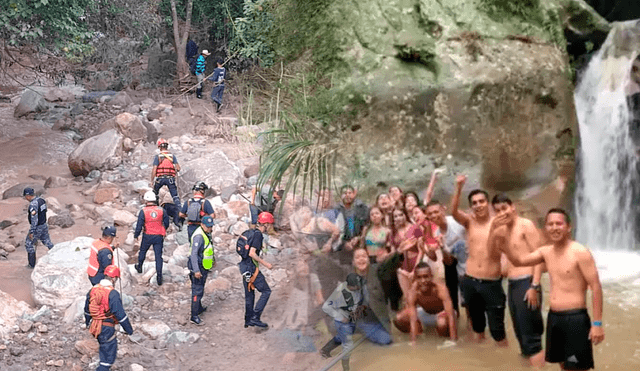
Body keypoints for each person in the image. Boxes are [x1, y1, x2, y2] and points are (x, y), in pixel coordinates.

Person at [495, 208, 604, 370]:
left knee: (576, 368)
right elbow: (519, 261)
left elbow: (595, 287)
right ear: (545, 228)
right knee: (563, 366)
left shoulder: (580, 252)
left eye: (558, 223)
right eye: (550, 224)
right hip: (554, 318)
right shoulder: (545, 252)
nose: (554, 228)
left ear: (568, 227)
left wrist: (597, 323)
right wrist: (503, 244)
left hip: (575, 318)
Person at [451, 174, 507, 345]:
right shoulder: (469, 222)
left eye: (481, 201)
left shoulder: (498, 223)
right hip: (470, 281)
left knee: (498, 332)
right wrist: (459, 187)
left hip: (492, 282)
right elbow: (453, 211)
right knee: (477, 328)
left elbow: (507, 249)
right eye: (474, 203)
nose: (478, 205)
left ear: (488, 204)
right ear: (470, 207)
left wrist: (505, 265)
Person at [490, 194, 545, 366]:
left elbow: (540, 256)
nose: (502, 213)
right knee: (520, 335)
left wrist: (534, 286)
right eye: (497, 211)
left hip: (527, 282)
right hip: (513, 285)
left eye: (504, 208)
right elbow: (491, 255)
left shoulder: (525, 225)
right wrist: (492, 230)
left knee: (532, 339)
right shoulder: (500, 231)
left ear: (512, 207)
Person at [319, 247, 392, 368]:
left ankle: (364, 332)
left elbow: (387, 266)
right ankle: (328, 350)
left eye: (364, 256)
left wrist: (393, 254)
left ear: (369, 259)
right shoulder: (347, 277)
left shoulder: (376, 272)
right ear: (353, 262)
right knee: (343, 329)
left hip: (370, 318)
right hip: (350, 317)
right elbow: (330, 267)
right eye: (357, 257)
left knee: (386, 341)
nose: (361, 259)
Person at [393, 262, 458, 344]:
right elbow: (413, 319)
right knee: (399, 318)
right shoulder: (413, 291)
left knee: (442, 323)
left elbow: (450, 315)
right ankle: (421, 333)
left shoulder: (440, 288)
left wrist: (453, 342)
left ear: (431, 276)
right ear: (415, 278)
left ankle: (441, 337)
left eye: (426, 276)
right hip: (425, 313)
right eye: (419, 277)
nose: (423, 281)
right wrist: (413, 343)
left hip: (442, 313)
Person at [84, 265, 133, 371]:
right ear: (114, 278)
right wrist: (129, 330)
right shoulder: (113, 294)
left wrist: (88, 323)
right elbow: (120, 315)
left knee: (103, 350)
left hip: (95, 326)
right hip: (106, 328)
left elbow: (87, 310)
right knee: (108, 358)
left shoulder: (93, 290)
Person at [425, 199, 468, 318]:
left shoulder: (456, 221)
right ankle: (455, 317)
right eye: (430, 214)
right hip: (454, 263)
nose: (433, 215)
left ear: (443, 210)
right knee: (451, 292)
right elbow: (448, 261)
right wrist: (442, 247)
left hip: (470, 262)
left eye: (436, 212)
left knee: (470, 303)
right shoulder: (437, 233)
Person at [321, 273, 366, 371]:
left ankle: (325, 350)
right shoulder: (339, 292)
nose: (359, 287)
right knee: (348, 345)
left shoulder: (358, 288)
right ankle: (346, 368)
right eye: (357, 286)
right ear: (350, 286)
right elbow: (325, 307)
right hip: (342, 320)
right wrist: (340, 317)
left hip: (352, 317)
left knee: (342, 336)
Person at [237, 212, 275, 328]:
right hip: (251, 268)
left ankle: (248, 319)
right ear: (267, 224)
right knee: (266, 291)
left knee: (249, 294)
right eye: (270, 225)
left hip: (244, 267)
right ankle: (255, 317)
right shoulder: (258, 235)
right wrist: (266, 264)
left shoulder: (250, 232)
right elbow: (252, 253)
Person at [133, 191, 170, 285]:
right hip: (158, 235)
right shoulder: (161, 210)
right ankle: (159, 276)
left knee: (143, 251)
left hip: (147, 235)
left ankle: (140, 267)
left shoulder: (144, 211)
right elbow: (166, 222)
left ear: (146, 200)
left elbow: (139, 225)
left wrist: (136, 235)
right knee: (158, 256)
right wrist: (163, 229)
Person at [188, 215, 216, 325]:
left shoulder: (205, 233)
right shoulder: (199, 236)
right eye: (208, 226)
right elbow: (193, 254)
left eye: (211, 226)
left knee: (200, 289)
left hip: (203, 265)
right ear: (202, 225)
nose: (210, 228)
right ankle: (194, 316)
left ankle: (198, 308)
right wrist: (196, 270)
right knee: (197, 291)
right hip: (198, 267)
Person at [22, 187, 54, 268]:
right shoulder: (41, 200)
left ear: (28, 196)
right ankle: (57, 256)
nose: (25, 198)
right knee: (47, 242)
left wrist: (32, 231)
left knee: (29, 244)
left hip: (37, 227)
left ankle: (31, 264)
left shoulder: (33, 204)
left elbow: (34, 219)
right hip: (44, 225)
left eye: (25, 196)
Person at [151, 138, 181, 207]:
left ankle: (155, 207)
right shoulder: (172, 156)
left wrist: (152, 180)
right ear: (166, 146)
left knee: (155, 193)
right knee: (175, 196)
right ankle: (180, 210)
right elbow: (178, 168)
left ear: (159, 147)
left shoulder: (157, 157)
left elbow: (154, 169)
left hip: (160, 178)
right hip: (170, 178)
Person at [338, 185, 369, 250]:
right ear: (341, 195)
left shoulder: (362, 207)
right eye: (345, 193)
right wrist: (344, 243)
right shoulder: (337, 210)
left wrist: (359, 238)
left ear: (354, 194)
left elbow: (367, 224)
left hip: (359, 244)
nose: (347, 195)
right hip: (342, 246)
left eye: (350, 193)